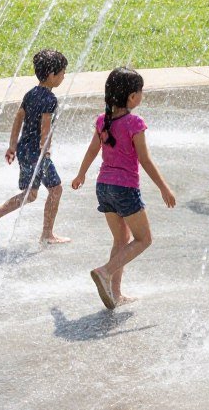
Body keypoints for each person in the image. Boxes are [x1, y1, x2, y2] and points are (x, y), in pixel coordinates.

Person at [71, 67, 176, 309]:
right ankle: (105, 271)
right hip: (125, 189)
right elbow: (145, 159)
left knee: (121, 239)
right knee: (144, 239)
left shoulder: (102, 120)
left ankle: (114, 292)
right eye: (140, 92)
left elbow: (92, 150)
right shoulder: (134, 122)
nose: (142, 96)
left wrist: (81, 174)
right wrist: (164, 188)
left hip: (103, 187)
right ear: (131, 97)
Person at [0, 49, 70, 245]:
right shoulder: (50, 99)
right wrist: (45, 149)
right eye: (63, 73)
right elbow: (45, 127)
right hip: (38, 152)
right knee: (55, 190)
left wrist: (12, 146)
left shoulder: (30, 94)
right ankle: (47, 234)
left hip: (24, 149)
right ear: (51, 75)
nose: (64, 76)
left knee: (30, 194)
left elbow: (18, 118)